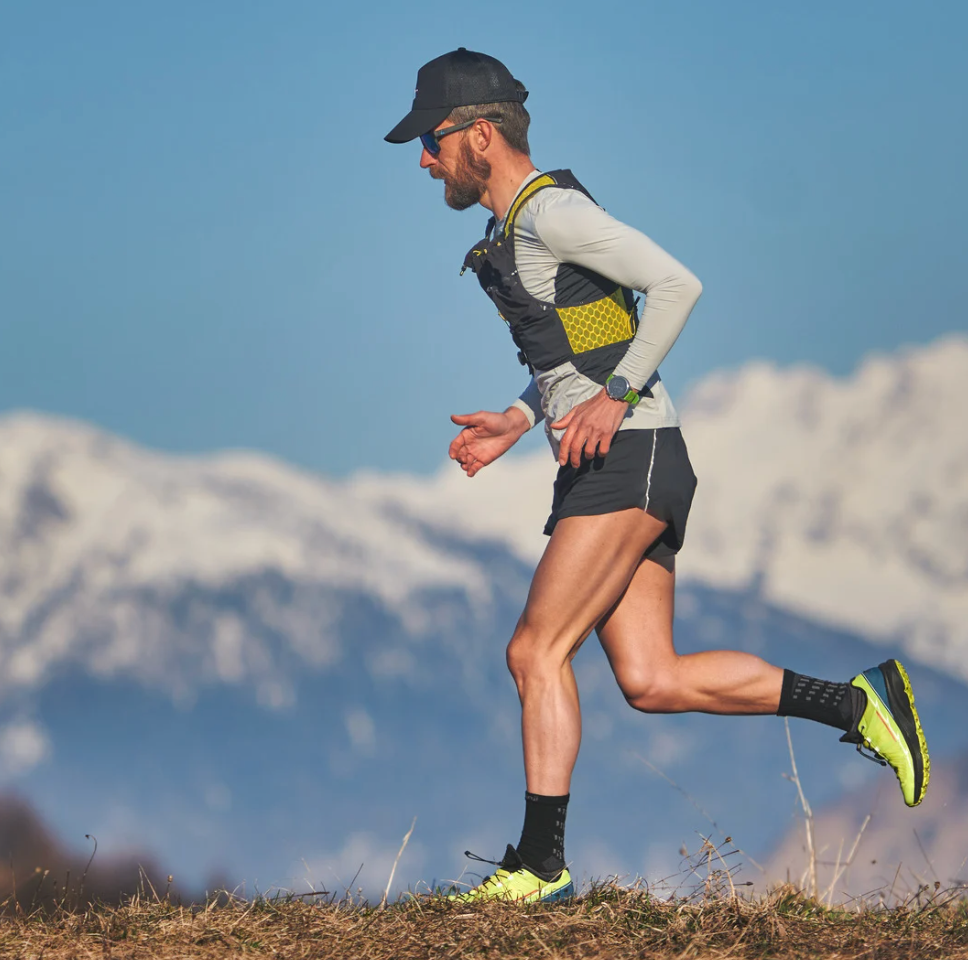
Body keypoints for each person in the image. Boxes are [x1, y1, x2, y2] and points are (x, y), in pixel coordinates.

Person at [384, 48, 930, 903]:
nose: (425, 160)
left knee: (535, 650)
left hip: (629, 457)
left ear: (480, 135)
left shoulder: (552, 213)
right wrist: (519, 421)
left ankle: (539, 867)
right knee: (650, 678)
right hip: (624, 459)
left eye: (432, 141)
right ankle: (860, 705)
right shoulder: (519, 228)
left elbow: (677, 284)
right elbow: (587, 344)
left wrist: (617, 397)